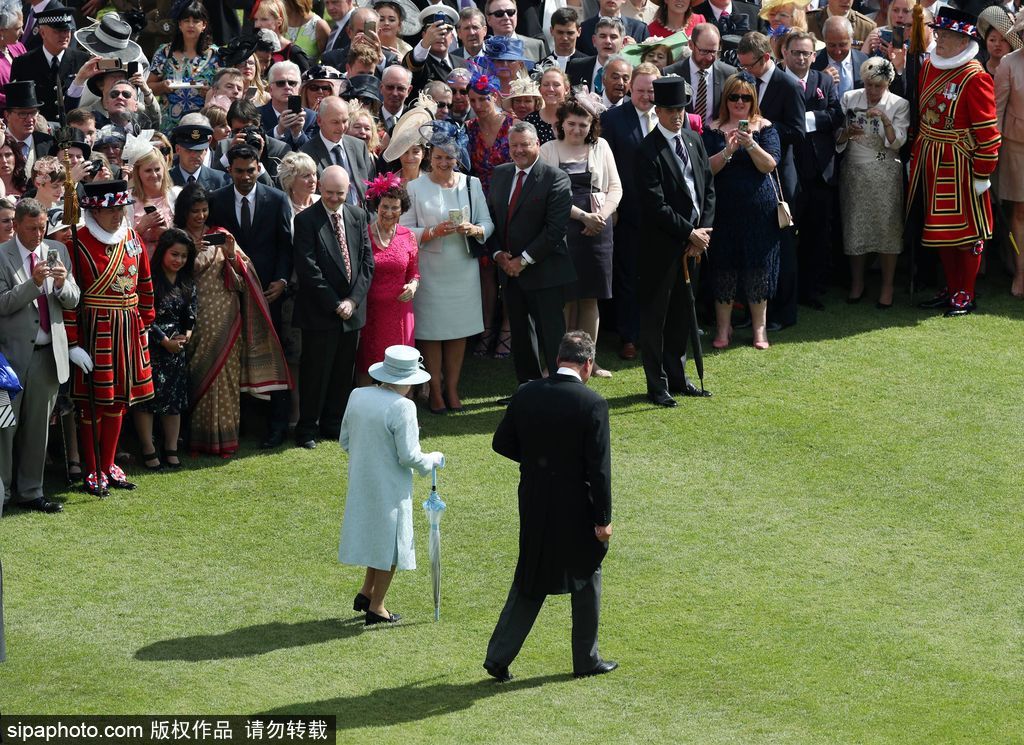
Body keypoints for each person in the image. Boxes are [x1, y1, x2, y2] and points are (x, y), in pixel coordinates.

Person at [483, 330, 615, 682]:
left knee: (531, 572)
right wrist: (603, 519)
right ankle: (586, 659)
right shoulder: (593, 404)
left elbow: (501, 443)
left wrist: (538, 463)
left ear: (558, 359)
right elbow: (600, 470)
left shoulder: (527, 392)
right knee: (587, 570)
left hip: (534, 498)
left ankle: (498, 657)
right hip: (576, 505)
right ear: (588, 365)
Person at [338, 344, 443, 626]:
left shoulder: (358, 394)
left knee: (378, 537)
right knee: (392, 545)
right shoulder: (403, 406)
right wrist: (433, 460)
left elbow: (345, 440)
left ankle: (366, 592)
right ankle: (377, 606)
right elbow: (409, 456)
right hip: (390, 485)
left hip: (361, 479)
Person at [63, 179, 155, 496]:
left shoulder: (132, 238)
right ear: (94, 212)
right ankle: (92, 468)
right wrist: (73, 343)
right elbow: (69, 300)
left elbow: (145, 283)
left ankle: (109, 463)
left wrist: (145, 323)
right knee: (93, 404)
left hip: (128, 330)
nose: (118, 215)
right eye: (110, 210)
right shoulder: (76, 243)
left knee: (119, 401)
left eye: (120, 209)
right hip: (95, 330)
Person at [908, 7, 1000, 317]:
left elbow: (989, 134)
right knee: (941, 232)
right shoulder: (929, 66)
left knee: (967, 233)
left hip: (961, 165)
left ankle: (966, 292)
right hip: (931, 159)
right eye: (939, 33)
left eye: (946, 35)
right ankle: (950, 287)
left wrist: (982, 173)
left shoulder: (976, 77)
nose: (940, 39)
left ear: (964, 41)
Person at [401, 121, 493, 413]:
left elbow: (487, 223)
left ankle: (452, 389)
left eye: (450, 157)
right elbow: (404, 231)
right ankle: (436, 391)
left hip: (462, 268)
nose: (444, 162)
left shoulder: (471, 184)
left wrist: (474, 229)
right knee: (432, 332)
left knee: (458, 330)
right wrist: (432, 232)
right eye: (439, 157)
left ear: (458, 157)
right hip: (430, 269)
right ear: (430, 156)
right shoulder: (414, 187)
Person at [634, 76, 715, 407]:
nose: (677, 115)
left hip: (694, 244)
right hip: (662, 246)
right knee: (657, 317)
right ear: (658, 111)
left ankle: (679, 376)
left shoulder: (694, 139)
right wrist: (688, 233)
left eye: (680, 109)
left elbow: (707, 187)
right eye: (670, 110)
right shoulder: (647, 150)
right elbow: (655, 205)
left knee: (683, 313)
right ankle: (658, 384)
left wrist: (703, 232)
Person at [0, 197, 79, 513]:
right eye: (32, 228)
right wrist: (33, 284)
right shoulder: (1, 256)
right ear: (16, 225)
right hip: (9, 360)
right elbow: (2, 303)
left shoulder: (57, 251)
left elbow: (74, 299)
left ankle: (31, 491)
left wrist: (61, 285)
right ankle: (2, 492)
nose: (38, 234)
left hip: (48, 357)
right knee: (4, 429)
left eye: (42, 228)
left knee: (37, 429)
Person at [487, 121, 574, 387]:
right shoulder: (500, 174)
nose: (519, 150)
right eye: (513, 145)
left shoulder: (555, 177)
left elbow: (555, 229)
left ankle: (561, 392)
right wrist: (498, 254)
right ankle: (528, 389)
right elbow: (491, 219)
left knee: (552, 337)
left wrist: (522, 260)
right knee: (521, 337)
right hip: (510, 274)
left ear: (537, 144)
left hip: (545, 273)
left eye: (525, 144)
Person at [539, 95, 621, 378]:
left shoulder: (602, 147)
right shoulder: (548, 150)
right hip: (562, 229)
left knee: (590, 298)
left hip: (598, 231)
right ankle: (558, 363)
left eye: (583, 125)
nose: (576, 129)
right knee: (565, 299)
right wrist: (583, 216)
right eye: (571, 124)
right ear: (561, 124)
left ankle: (588, 362)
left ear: (591, 126)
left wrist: (601, 216)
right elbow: (549, 194)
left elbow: (615, 188)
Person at [292, 166, 373, 450]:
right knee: (315, 372)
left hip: (352, 311)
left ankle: (333, 423)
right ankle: (307, 428)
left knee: (343, 372)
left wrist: (353, 301)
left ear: (348, 190)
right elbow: (308, 268)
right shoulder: (306, 220)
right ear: (319, 188)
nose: (335, 198)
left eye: (340, 193)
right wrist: (335, 303)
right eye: (329, 193)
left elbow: (367, 263)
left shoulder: (357, 215)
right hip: (319, 311)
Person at [702, 71, 782, 349]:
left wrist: (750, 144)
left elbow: (769, 165)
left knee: (757, 268)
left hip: (758, 212)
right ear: (725, 99)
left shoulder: (765, 127)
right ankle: (723, 328)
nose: (739, 102)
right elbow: (705, 170)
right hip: (723, 210)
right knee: (723, 268)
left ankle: (760, 329)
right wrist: (727, 151)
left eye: (745, 97)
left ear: (753, 100)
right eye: (734, 96)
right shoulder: (712, 128)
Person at [837, 57, 909, 306]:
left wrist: (885, 120)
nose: (873, 90)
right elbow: (836, 135)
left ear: (888, 83)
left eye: (878, 85)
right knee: (854, 227)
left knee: (887, 227)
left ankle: (887, 286)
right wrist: (846, 133)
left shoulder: (899, 104)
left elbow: (898, 142)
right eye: (869, 84)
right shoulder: (849, 98)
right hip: (854, 172)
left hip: (885, 171)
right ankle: (857, 283)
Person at [782, 29, 843, 311]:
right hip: (788, 168)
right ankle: (787, 291)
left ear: (814, 55)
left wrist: (805, 119)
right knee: (787, 233)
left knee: (817, 233)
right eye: (796, 52)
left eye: (806, 53)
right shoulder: (778, 81)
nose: (801, 58)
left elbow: (835, 114)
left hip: (820, 171)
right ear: (785, 53)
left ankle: (812, 290)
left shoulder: (823, 80)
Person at [132, 227, 196, 471]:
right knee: (146, 400)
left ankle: (171, 448)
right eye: (174, 254)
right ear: (163, 253)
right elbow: (142, 314)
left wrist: (185, 337)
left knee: (174, 399)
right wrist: (164, 340)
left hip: (176, 351)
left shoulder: (186, 281)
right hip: (150, 346)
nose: (179, 260)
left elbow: (191, 315)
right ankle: (148, 448)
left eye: (184, 256)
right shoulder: (150, 278)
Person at [355, 174, 419, 386]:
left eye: (394, 208)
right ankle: (365, 403)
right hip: (370, 313)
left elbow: (414, 273)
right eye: (385, 206)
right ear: (377, 206)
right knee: (367, 364)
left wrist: (413, 285)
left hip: (399, 312)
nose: (389, 212)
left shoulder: (408, 236)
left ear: (402, 210)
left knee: (400, 369)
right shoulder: (363, 235)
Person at [148, 1, 222, 133]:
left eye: (196, 21)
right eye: (186, 20)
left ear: (204, 25)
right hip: (169, 125)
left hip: (204, 123)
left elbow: (226, 89)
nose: (191, 25)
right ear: (180, 24)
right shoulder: (164, 52)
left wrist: (211, 93)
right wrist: (162, 86)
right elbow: (148, 86)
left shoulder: (216, 55)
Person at [8, 3, 88, 125]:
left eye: (67, 30)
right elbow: (17, 104)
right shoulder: (23, 63)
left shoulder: (82, 60)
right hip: (38, 129)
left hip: (74, 128)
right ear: (42, 33)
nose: (65, 35)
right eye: (58, 31)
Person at [994, 17, 1024, 297]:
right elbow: (997, 110)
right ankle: (1021, 274)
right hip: (1017, 147)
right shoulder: (1009, 63)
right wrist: (993, 150)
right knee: (1020, 211)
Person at [299, 95, 376, 203]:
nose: (341, 128)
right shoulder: (306, 154)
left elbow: (371, 187)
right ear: (320, 121)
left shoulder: (359, 146)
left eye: (345, 121)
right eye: (335, 122)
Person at [665, 24, 737, 129]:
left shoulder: (729, 74)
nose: (709, 58)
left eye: (713, 52)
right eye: (704, 51)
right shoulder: (670, 73)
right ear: (691, 45)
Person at [129, 146, 177, 257]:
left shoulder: (176, 195)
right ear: (138, 173)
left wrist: (167, 230)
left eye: (157, 169)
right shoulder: (128, 200)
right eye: (148, 171)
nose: (154, 175)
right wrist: (141, 227)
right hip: (141, 262)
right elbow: (123, 245)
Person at [525, 67, 569, 144]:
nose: (551, 89)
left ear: (566, 89)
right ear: (540, 89)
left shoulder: (576, 119)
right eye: (546, 85)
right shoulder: (530, 121)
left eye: (556, 85)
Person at [0, 3, 26, 111]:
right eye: (17, 28)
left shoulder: (19, 47)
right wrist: (22, 101)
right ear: (2, 31)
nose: (22, 32)